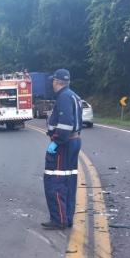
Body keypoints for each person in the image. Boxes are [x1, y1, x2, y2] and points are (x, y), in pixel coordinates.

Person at [41, 69, 83, 230]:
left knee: (55, 180)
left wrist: (56, 142)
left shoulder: (64, 97)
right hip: (74, 141)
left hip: (63, 145)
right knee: (69, 181)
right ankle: (67, 217)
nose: (52, 83)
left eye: (53, 81)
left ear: (57, 82)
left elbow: (65, 126)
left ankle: (59, 219)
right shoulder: (74, 96)